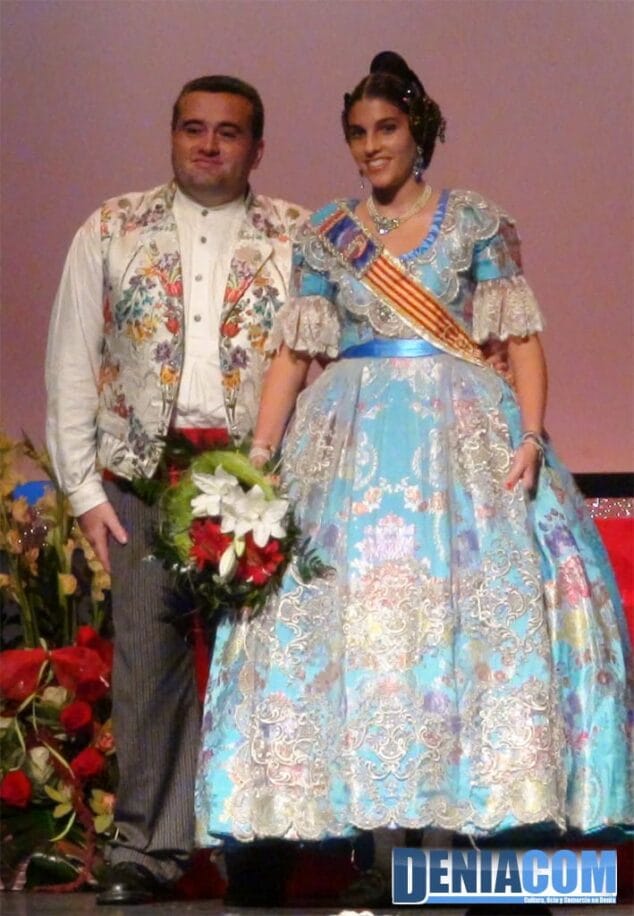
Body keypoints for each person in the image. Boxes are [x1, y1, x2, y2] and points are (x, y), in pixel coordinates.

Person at [195, 50, 633, 878]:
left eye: (386, 129)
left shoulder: (473, 221)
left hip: (460, 435)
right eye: (358, 133)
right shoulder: (327, 234)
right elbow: (295, 352)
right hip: (346, 437)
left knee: (460, 619)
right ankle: (372, 834)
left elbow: (521, 339)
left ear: (419, 132)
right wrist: (259, 455)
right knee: (351, 618)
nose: (371, 147)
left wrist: (532, 435)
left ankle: (464, 829)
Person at [45, 74, 308, 905]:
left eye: (228, 133)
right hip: (141, 473)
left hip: (253, 475)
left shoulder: (298, 236)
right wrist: (85, 491)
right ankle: (146, 850)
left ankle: (254, 846)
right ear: (171, 135)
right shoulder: (112, 227)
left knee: (257, 666)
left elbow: (321, 361)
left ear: (257, 148)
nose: (207, 144)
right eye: (192, 128)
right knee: (149, 665)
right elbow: (70, 361)